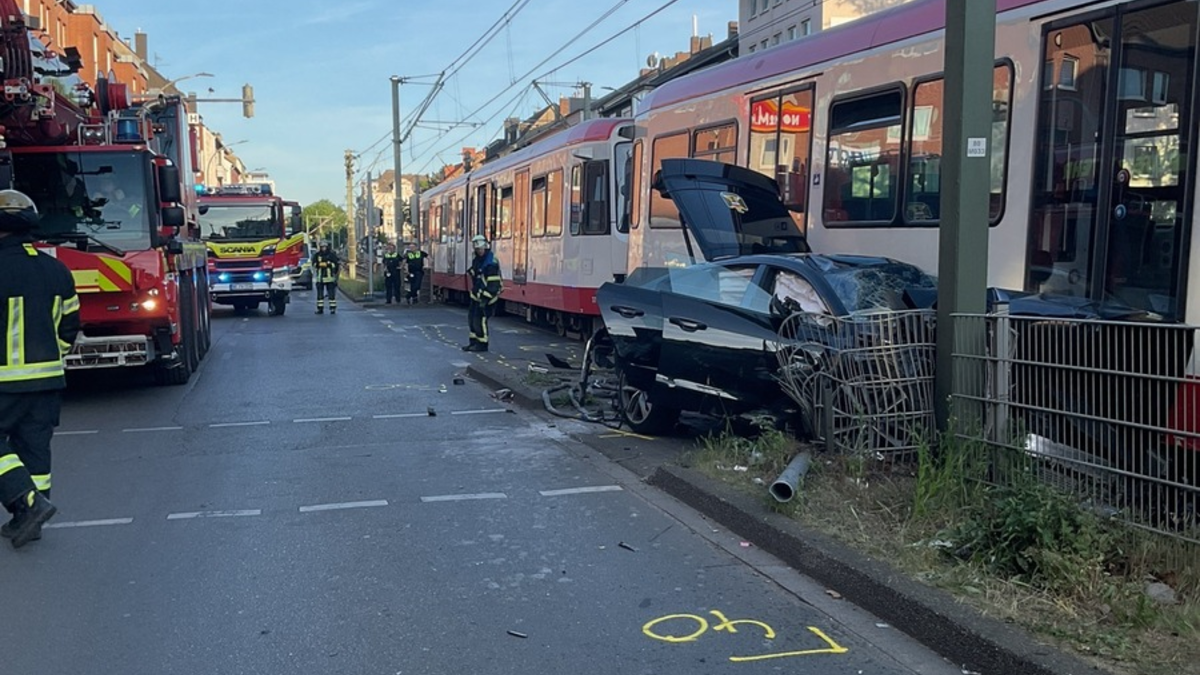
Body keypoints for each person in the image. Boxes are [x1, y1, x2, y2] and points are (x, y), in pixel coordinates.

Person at [0, 190, 78, 549]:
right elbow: (69, 324)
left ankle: (30, 503)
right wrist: (54, 358)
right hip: (48, 380)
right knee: (35, 451)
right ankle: (28, 520)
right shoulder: (56, 270)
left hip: (3, 382)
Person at [463, 235, 502, 352]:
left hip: (487, 298)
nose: (479, 251)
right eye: (477, 249)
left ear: (485, 248)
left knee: (479, 320)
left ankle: (482, 344)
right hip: (477, 295)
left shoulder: (491, 263)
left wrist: (485, 299)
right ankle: (473, 342)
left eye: (480, 249)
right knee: (472, 319)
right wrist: (472, 272)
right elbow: (478, 273)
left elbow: (493, 284)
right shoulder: (478, 260)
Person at [312, 240, 340, 315]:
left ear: (327, 247)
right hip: (320, 278)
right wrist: (321, 264)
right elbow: (314, 264)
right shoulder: (317, 255)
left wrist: (328, 264)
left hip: (330, 278)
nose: (323, 248)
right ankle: (320, 309)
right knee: (320, 296)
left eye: (325, 247)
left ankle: (332, 308)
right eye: (322, 247)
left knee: (331, 295)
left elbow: (336, 265)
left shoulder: (331, 255)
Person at [403, 241, 428, 306]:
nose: (412, 248)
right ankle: (414, 299)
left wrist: (430, 264)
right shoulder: (408, 254)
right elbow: (405, 262)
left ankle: (408, 296)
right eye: (410, 247)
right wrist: (406, 270)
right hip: (411, 272)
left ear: (416, 247)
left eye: (413, 247)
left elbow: (428, 257)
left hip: (419, 271)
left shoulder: (420, 253)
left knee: (417, 285)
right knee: (412, 285)